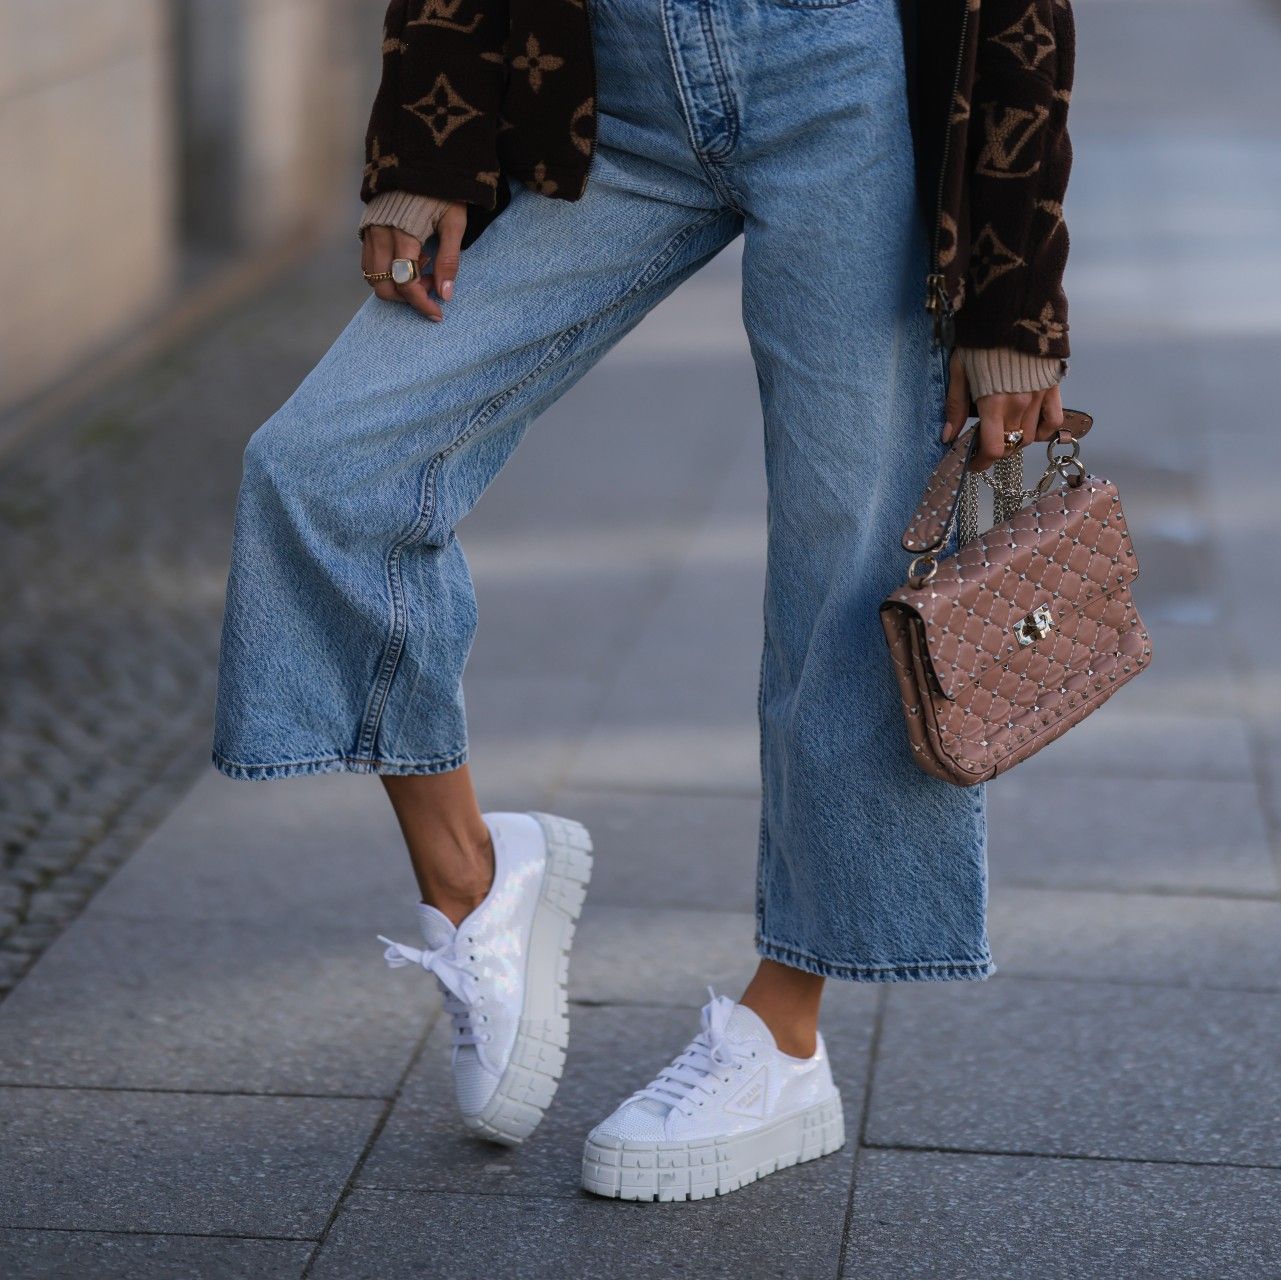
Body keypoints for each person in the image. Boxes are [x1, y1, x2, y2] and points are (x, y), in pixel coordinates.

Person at [213, 0, 1075, 1201]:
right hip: (600, 72)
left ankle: (781, 1040)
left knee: (851, 567)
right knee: (325, 463)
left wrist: (1012, 287)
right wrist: (424, 136)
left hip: (846, 74)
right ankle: (471, 874)